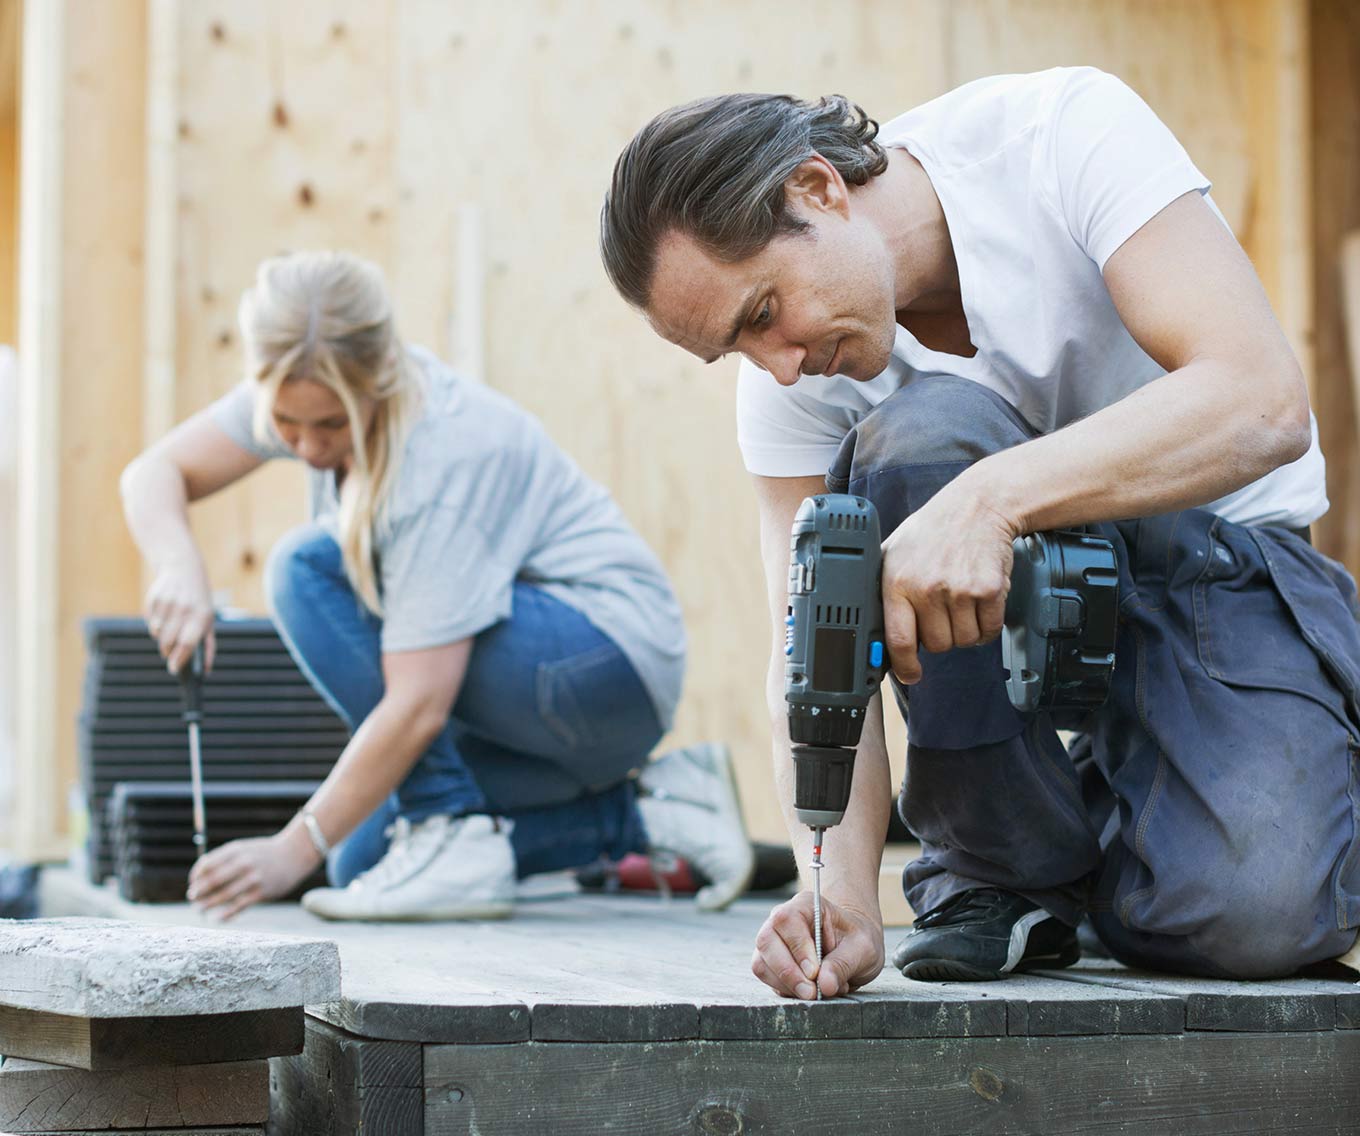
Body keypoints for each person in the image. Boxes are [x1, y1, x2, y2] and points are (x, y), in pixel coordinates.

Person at [599, 67, 1360, 995]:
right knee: (919, 444)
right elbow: (811, 654)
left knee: (1257, 917)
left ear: (817, 189)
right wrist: (837, 894)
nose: (781, 369)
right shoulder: (794, 377)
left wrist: (991, 500)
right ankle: (1004, 874)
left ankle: (1129, 828)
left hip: (1216, 555)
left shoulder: (1060, 135)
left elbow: (1261, 401)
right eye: (738, 349)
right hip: (1000, 622)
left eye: (764, 312)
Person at [120, 250, 754, 921]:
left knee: (304, 570)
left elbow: (419, 704)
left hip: (601, 667)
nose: (305, 445)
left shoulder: (438, 458)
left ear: (375, 382)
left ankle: (447, 822)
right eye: (285, 424)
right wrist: (177, 565)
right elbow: (154, 472)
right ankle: (656, 813)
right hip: (537, 694)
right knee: (360, 859)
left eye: (330, 425)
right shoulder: (304, 385)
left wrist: (287, 849)